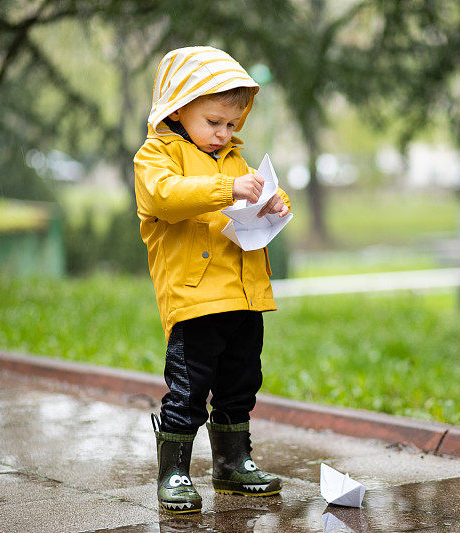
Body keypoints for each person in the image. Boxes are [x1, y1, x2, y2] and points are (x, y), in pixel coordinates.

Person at [133, 46, 290, 514]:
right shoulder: (156, 157)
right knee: (188, 387)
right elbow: (166, 197)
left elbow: (249, 202)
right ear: (179, 106)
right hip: (195, 297)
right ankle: (175, 470)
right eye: (214, 122)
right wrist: (229, 189)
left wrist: (274, 201)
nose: (224, 133)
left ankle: (232, 462)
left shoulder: (234, 161)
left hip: (243, 294)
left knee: (242, 380)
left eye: (232, 124)